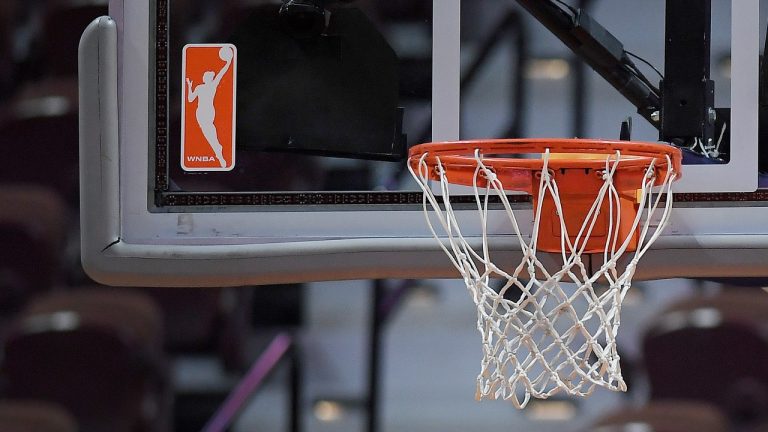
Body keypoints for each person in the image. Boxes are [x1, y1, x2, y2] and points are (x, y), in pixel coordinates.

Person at [186, 47, 233, 168]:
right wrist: (189, 86)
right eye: (205, 76)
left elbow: (221, 74)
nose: (205, 77)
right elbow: (190, 99)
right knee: (209, 133)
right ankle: (218, 151)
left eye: (207, 76)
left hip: (208, 112)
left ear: (209, 78)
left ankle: (219, 153)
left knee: (210, 133)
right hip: (200, 113)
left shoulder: (212, 86)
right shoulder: (199, 87)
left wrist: (228, 62)